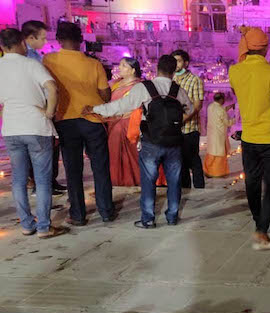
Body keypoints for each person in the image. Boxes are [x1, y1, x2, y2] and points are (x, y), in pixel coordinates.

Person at [90, 55, 192, 228]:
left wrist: (94, 109)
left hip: (151, 142)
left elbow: (120, 106)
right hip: (174, 142)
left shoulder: (145, 88)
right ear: (174, 70)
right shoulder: (178, 89)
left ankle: (148, 219)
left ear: (157, 68)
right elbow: (188, 108)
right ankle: (172, 217)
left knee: (148, 181)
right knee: (174, 181)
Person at [43, 21, 115, 226]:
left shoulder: (48, 61)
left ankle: (77, 214)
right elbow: (106, 94)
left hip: (65, 120)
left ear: (57, 40)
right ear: (81, 40)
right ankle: (106, 211)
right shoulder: (94, 64)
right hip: (92, 120)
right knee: (100, 167)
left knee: (73, 169)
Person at [229, 28, 270, 249]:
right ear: (265, 48)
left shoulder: (234, 71)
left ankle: (259, 224)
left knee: (252, 184)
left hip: (249, 138)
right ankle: (262, 231)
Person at [0, 28, 64, 238]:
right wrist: (49, 112)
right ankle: (44, 227)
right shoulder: (31, 64)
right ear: (21, 42)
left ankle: (27, 224)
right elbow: (52, 88)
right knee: (42, 179)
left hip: (11, 129)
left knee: (18, 179)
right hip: (36, 127)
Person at [22, 19, 66, 193]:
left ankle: (49, 180)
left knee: (51, 146)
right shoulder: (27, 57)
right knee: (40, 148)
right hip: (37, 107)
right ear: (31, 38)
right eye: (42, 38)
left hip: (44, 106)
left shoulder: (36, 55)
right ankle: (39, 183)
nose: (45, 42)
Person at [106, 57, 143, 186]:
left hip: (127, 123)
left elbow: (138, 106)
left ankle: (133, 180)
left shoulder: (137, 86)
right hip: (113, 122)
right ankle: (116, 180)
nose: (119, 68)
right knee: (114, 153)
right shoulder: (115, 83)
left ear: (133, 70)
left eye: (124, 66)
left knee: (130, 154)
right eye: (120, 65)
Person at [171, 50, 205, 189]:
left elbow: (197, 106)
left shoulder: (194, 80)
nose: (176, 64)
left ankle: (199, 190)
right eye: (174, 61)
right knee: (180, 162)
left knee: (193, 160)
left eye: (179, 61)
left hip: (189, 128)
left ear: (186, 63)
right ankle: (185, 189)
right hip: (173, 129)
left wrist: (182, 119)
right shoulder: (171, 79)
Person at [203, 92, 235, 178]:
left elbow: (219, 111)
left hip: (211, 135)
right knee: (218, 154)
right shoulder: (221, 110)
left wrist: (229, 107)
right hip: (219, 136)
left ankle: (208, 171)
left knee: (211, 152)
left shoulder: (210, 107)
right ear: (221, 100)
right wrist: (235, 119)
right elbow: (227, 123)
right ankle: (217, 173)